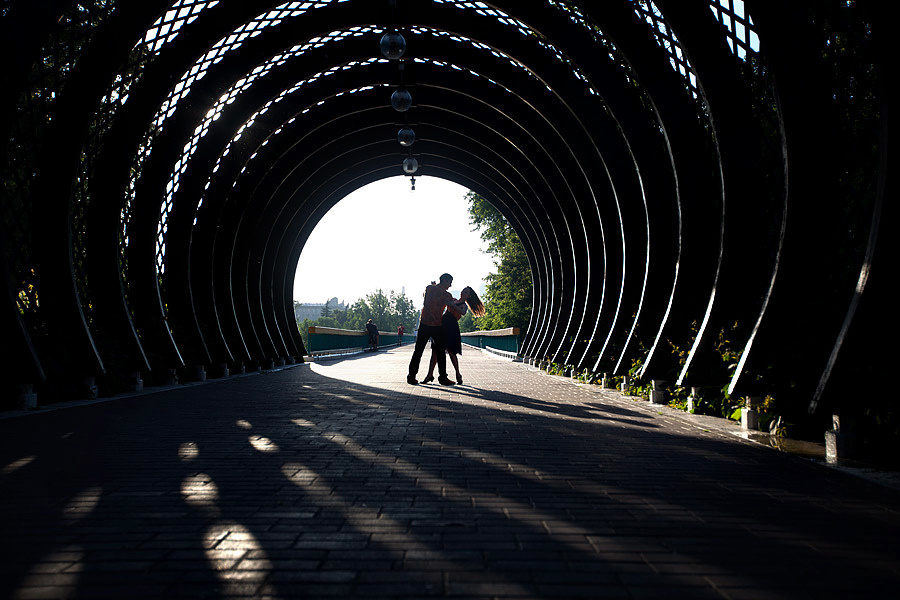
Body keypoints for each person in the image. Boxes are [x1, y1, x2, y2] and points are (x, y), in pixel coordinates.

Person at [422, 286, 485, 385]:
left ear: (468, 296)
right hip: (442, 326)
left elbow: (463, 312)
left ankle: (458, 374)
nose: (463, 292)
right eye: (463, 290)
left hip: (451, 329)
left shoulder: (463, 305)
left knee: (452, 352)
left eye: (466, 292)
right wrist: (434, 289)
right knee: (435, 352)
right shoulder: (453, 300)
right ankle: (429, 375)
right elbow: (441, 299)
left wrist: (453, 305)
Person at [407, 273, 457, 385]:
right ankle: (443, 378)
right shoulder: (445, 294)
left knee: (419, 351)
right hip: (435, 325)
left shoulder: (431, 289)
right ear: (444, 280)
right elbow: (451, 306)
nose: (450, 285)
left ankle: (411, 377)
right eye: (449, 282)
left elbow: (426, 301)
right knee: (439, 353)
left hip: (426, 323)